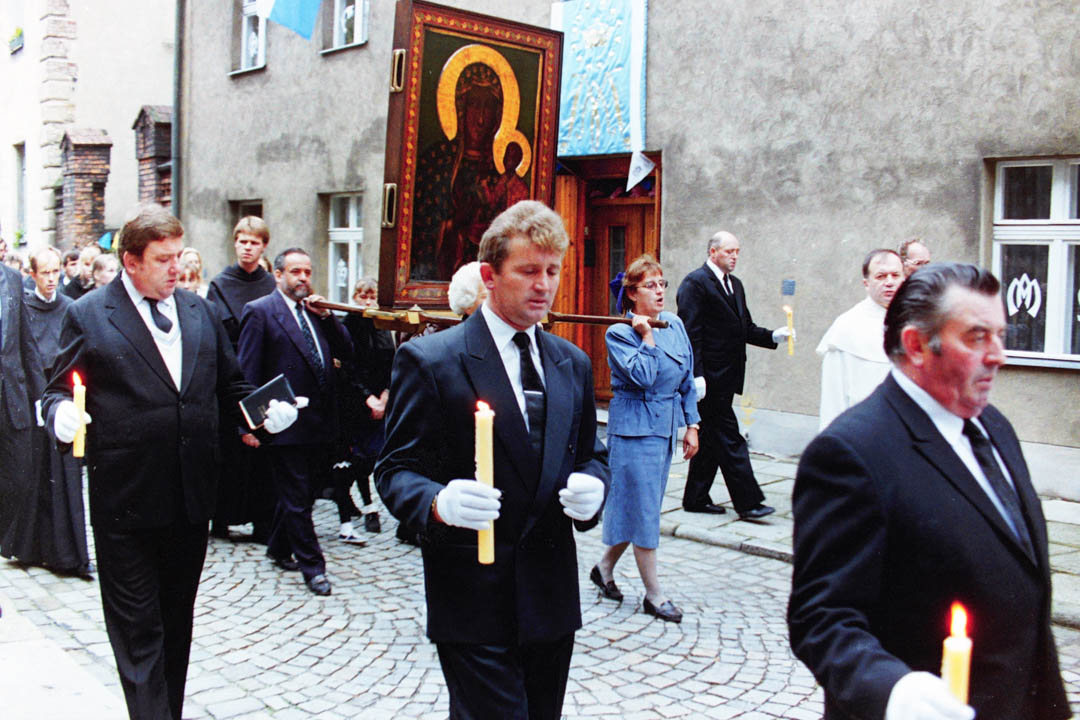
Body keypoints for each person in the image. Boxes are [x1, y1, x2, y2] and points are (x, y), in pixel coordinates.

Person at [40, 204, 298, 720]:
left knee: (176, 627)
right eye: (163, 259)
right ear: (131, 261)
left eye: (178, 255)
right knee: (139, 634)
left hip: (191, 498)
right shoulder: (89, 314)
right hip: (126, 501)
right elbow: (55, 391)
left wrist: (268, 414)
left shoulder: (199, 311)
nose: (176, 267)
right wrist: (61, 415)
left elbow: (231, 387)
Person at [788, 263, 1070, 720]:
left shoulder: (994, 426)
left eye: (1001, 335)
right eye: (977, 337)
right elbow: (821, 618)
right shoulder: (851, 453)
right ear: (917, 345)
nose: (998, 355)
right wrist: (893, 691)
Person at [375, 200, 609, 720]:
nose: (543, 286)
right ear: (489, 276)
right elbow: (393, 471)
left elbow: (592, 455)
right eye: (528, 271)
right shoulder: (433, 360)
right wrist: (437, 501)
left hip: (550, 597)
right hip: (473, 595)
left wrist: (596, 485)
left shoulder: (571, 362)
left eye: (552, 271)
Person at [237, 248, 352, 596]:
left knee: (306, 493)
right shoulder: (260, 312)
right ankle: (313, 568)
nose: (303, 278)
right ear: (278, 275)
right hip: (284, 424)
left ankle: (277, 547)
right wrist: (248, 425)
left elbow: (346, 351)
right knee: (297, 497)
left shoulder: (314, 313)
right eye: (295, 271)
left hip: (320, 423)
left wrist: (328, 317)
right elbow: (247, 371)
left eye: (307, 271)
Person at [591, 255, 699, 624]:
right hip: (634, 432)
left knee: (638, 506)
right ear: (633, 294)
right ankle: (654, 595)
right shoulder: (619, 333)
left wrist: (692, 425)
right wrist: (647, 338)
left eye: (662, 283)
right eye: (650, 285)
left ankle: (603, 568)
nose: (659, 291)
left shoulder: (675, 324)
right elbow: (643, 377)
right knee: (644, 510)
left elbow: (686, 377)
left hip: (663, 430)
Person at [675, 230, 792, 519]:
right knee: (730, 439)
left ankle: (695, 498)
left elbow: (744, 328)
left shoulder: (735, 285)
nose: (735, 256)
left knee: (711, 439)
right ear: (713, 252)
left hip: (728, 376)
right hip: (708, 379)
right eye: (729, 251)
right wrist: (696, 375)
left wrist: (773, 336)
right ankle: (748, 502)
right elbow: (691, 333)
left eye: (737, 251)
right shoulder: (695, 283)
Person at [1, 247, 90, 578]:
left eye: (56, 272)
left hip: (52, 398)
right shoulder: (24, 299)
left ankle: (64, 552)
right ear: (34, 275)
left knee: (60, 477)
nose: (52, 279)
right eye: (45, 272)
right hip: (28, 398)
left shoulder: (67, 307)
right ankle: (27, 546)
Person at [206, 216, 277, 540]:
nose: (247, 248)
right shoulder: (220, 284)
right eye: (242, 241)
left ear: (264, 246)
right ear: (235, 243)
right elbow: (213, 329)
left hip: (264, 371)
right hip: (229, 372)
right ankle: (222, 518)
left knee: (262, 454)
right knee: (228, 452)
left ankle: (263, 521)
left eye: (254, 242)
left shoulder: (272, 284)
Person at [332, 277, 394, 541]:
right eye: (363, 296)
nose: (368, 301)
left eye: (372, 296)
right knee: (354, 456)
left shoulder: (382, 325)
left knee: (372, 456)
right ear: (355, 297)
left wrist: (385, 396)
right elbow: (347, 367)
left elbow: (391, 363)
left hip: (380, 399)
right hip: (354, 401)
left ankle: (362, 501)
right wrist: (368, 398)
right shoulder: (347, 326)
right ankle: (367, 506)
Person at [816, 249, 904, 430]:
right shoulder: (846, 327)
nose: (889, 282)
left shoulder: (919, 320)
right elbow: (833, 401)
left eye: (895, 275)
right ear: (866, 283)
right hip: (864, 431)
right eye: (880, 276)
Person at [0, 255, 46, 563]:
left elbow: (26, 342)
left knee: (18, 480)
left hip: (11, 401)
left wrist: (42, 397)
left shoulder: (12, 279)